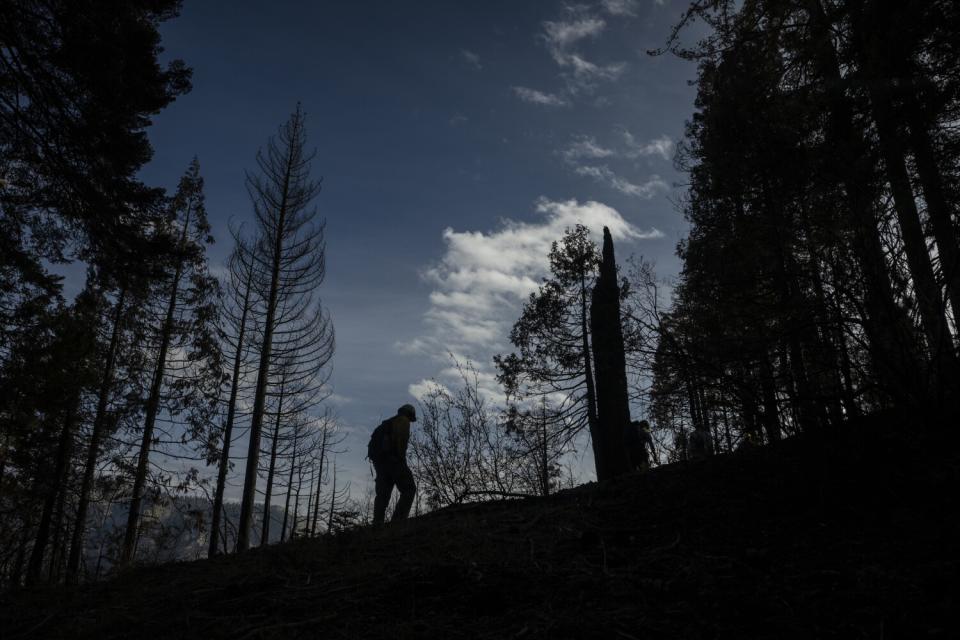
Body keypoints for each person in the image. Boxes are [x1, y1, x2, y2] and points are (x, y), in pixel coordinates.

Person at [372, 404, 418, 526]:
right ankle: (398, 522)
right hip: (394, 460)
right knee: (409, 489)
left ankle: (377, 524)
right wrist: (401, 460)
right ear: (409, 414)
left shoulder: (385, 424)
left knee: (382, 495)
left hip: (380, 464)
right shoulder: (403, 421)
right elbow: (400, 441)